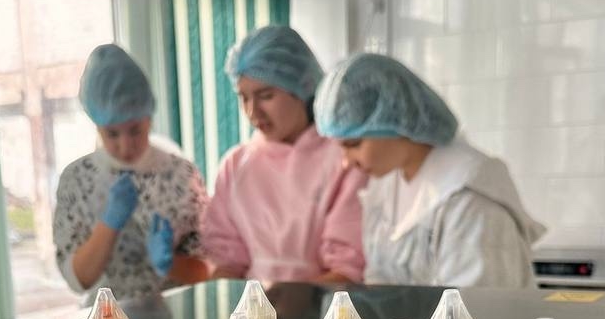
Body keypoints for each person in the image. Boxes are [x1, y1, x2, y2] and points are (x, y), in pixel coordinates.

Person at [316, 52, 545, 288]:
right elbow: (379, 278)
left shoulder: (470, 201)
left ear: (393, 122)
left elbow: (478, 305)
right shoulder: (386, 186)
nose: (346, 163)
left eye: (353, 144)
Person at [203, 25, 365, 284]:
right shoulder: (235, 165)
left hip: (326, 306)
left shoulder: (345, 158)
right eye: (243, 98)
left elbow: (348, 268)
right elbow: (225, 262)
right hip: (253, 307)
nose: (253, 112)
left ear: (303, 88)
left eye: (265, 96)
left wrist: (297, 303)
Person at [54, 44, 210, 301]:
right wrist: (109, 224)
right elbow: (78, 280)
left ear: (149, 118)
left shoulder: (182, 175)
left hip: (175, 314)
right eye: (112, 134)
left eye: (135, 130)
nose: (126, 146)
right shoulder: (77, 179)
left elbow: (208, 270)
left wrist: (169, 263)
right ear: (96, 125)